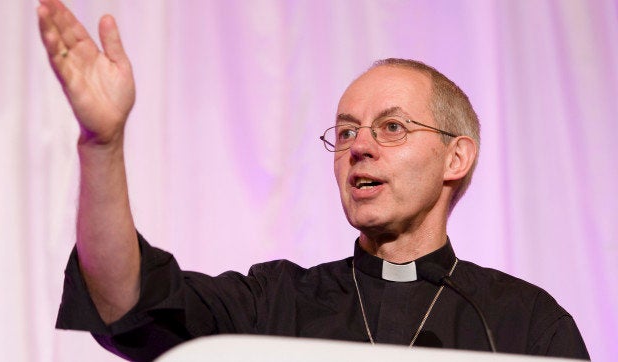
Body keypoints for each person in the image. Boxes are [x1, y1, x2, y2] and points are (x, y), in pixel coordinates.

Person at [38, 0, 589, 361]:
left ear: (456, 158)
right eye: (346, 132)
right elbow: (124, 303)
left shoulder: (525, 324)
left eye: (391, 127)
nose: (361, 147)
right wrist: (101, 146)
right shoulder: (275, 304)